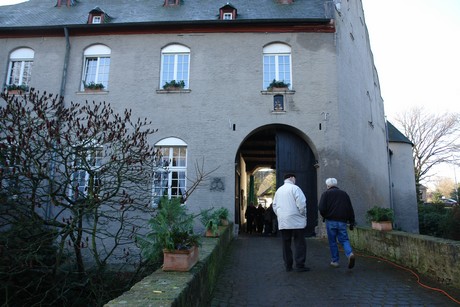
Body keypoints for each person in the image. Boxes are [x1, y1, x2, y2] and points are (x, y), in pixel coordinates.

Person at [273, 173, 309, 272]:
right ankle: (300, 264)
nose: (295, 180)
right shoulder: (295, 188)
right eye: (295, 178)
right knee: (299, 242)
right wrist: (303, 214)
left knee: (286, 244)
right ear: (291, 178)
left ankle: (288, 265)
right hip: (296, 220)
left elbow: (274, 206)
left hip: (284, 221)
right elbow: (301, 204)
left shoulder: (279, 190)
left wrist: (280, 215)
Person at [318, 177, 356, 269]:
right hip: (342, 221)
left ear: (328, 185)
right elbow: (350, 208)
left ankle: (335, 261)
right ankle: (350, 253)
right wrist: (352, 221)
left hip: (330, 221)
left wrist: (325, 215)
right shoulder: (344, 194)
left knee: (332, 241)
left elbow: (321, 208)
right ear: (336, 184)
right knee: (344, 239)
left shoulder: (325, 194)